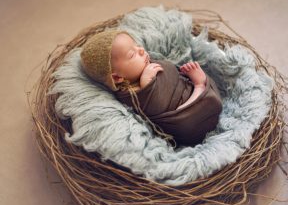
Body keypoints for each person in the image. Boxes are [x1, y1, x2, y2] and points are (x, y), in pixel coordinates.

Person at [80, 29, 223, 147]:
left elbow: (172, 74)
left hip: (186, 90)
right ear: (117, 78)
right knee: (184, 124)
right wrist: (147, 85)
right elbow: (153, 108)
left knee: (199, 79)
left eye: (136, 45)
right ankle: (200, 88)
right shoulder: (130, 93)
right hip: (184, 118)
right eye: (132, 54)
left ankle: (200, 88)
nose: (141, 50)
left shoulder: (144, 64)